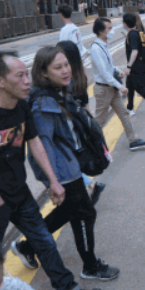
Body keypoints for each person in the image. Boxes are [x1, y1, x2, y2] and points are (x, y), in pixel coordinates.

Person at [0, 51, 102, 290]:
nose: (28, 81)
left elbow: (34, 142)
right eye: (20, 76)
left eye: (27, 74)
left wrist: (54, 182)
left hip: (21, 194)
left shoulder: (22, 107)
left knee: (45, 243)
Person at [11, 46, 120, 282]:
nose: (65, 70)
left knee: (71, 211)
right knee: (84, 214)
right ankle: (90, 266)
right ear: (43, 72)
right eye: (57, 67)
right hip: (62, 170)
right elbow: (42, 146)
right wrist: (53, 181)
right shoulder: (42, 105)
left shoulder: (58, 93)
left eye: (66, 65)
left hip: (69, 164)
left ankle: (27, 246)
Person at [90, 17, 145, 151]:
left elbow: (109, 67)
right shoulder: (96, 48)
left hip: (111, 88)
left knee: (123, 113)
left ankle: (133, 140)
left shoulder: (103, 45)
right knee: (100, 121)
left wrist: (119, 71)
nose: (112, 31)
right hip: (104, 89)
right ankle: (91, 145)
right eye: (109, 28)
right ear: (101, 31)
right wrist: (121, 87)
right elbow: (105, 73)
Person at [56, 40, 106, 205]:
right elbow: (86, 106)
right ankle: (89, 185)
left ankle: (89, 185)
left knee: (65, 161)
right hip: (80, 126)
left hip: (66, 127)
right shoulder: (80, 76)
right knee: (73, 160)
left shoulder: (65, 80)